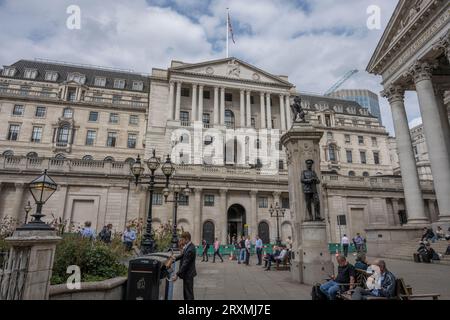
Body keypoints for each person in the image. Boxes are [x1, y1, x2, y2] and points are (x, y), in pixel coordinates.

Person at [171, 232, 197, 300]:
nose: (182, 241)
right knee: (186, 293)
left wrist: (177, 274)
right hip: (187, 274)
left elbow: (185, 264)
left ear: (187, 239)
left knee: (188, 294)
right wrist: (175, 258)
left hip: (188, 274)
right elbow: (183, 255)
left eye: (183, 239)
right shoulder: (189, 246)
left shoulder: (190, 249)